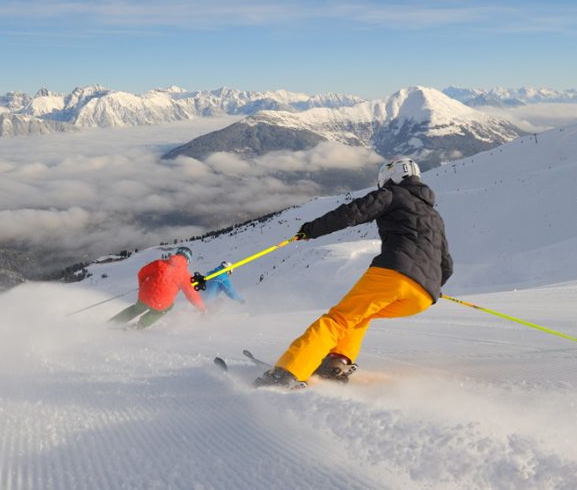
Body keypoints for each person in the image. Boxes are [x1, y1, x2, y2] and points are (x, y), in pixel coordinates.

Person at [254, 158, 452, 388]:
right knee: (360, 315)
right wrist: (430, 284)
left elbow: (352, 212)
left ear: (392, 176)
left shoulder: (393, 194)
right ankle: (335, 363)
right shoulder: (434, 216)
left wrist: (310, 230)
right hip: (422, 296)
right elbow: (446, 264)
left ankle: (286, 374)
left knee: (336, 321)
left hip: (394, 274)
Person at [109, 246, 206, 329]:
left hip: (144, 295)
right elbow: (192, 295)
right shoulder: (185, 275)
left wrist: (142, 285)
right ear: (188, 261)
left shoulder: (159, 263)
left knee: (136, 309)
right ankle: (140, 325)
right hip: (162, 303)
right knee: (165, 309)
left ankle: (112, 323)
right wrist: (202, 308)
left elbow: (142, 273)